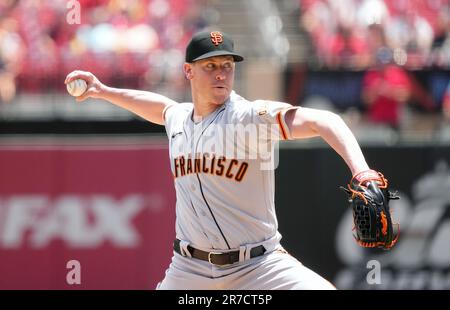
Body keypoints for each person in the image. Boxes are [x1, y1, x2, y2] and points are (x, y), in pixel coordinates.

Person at [65, 30, 373, 290]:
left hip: (259, 267)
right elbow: (160, 108)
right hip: (189, 269)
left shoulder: (248, 117)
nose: (221, 73)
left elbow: (326, 121)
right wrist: (103, 91)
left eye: (227, 65)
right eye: (210, 65)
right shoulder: (180, 119)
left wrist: (362, 172)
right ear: (189, 71)